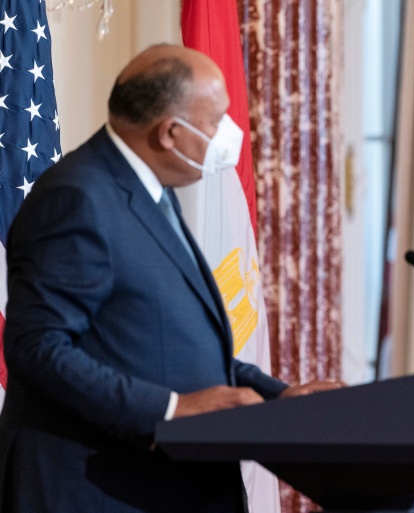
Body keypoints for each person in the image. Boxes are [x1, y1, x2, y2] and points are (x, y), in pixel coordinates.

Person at [0, 44, 342, 513]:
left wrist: (280, 396)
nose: (229, 134)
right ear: (169, 133)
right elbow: (37, 347)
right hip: (98, 488)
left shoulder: (152, 192)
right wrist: (170, 411)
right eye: (215, 121)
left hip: (169, 482)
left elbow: (169, 344)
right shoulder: (76, 197)